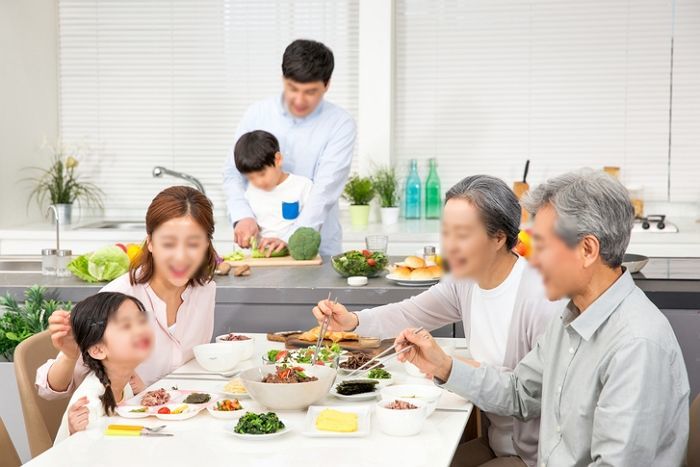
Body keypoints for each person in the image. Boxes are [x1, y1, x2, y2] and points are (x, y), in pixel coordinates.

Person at [393, 170, 690, 466]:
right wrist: (442, 365)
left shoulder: (636, 345)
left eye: (543, 246)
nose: (532, 260)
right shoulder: (571, 317)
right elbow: (520, 393)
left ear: (587, 250)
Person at [313, 175, 563, 467]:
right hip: (497, 443)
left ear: (498, 238)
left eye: (462, 234)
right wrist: (352, 321)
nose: (449, 245)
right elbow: (411, 312)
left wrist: (446, 365)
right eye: (446, 232)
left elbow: (527, 396)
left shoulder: (541, 298)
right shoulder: (466, 282)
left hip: (534, 456)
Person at [36, 186, 218, 433]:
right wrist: (69, 356)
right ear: (150, 243)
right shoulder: (120, 299)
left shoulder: (205, 290)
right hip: (126, 432)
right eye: (168, 244)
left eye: (194, 244)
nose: (181, 257)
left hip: (180, 419)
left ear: (207, 245)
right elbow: (50, 390)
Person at [224, 39, 356, 256]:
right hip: (259, 250)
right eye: (292, 88)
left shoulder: (340, 124)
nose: (299, 100)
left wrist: (289, 238)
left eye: (311, 91)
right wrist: (242, 215)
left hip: (317, 250)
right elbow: (233, 172)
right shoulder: (257, 114)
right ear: (283, 79)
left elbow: (324, 191)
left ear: (327, 85)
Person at [55, 292, 154, 443]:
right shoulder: (90, 404)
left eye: (141, 321)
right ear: (98, 350)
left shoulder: (123, 383)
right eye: (126, 326)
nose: (141, 330)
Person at [233, 129, 313, 255]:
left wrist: (286, 241)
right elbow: (255, 224)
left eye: (262, 174)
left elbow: (310, 225)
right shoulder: (250, 191)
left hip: (293, 258)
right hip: (262, 260)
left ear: (278, 159)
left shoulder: (303, 186)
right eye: (250, 178)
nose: (258, 182)